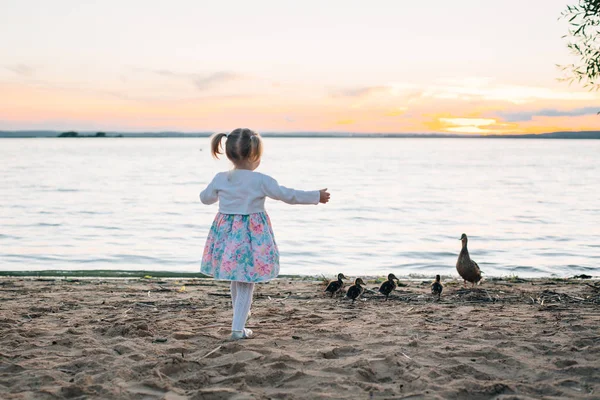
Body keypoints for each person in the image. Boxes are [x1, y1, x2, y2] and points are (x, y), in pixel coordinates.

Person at [200, 128, 330, 340]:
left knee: (237, 278)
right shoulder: (260, 180)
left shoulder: (221, 178)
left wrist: (218, 193)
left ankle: (239, 319)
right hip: (251, 235)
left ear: (230, 154)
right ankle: (237, 329)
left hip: (226, 234)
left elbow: (205, 198)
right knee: (245, 281)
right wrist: (316, 195)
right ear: (255, 155)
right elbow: (288, 195)